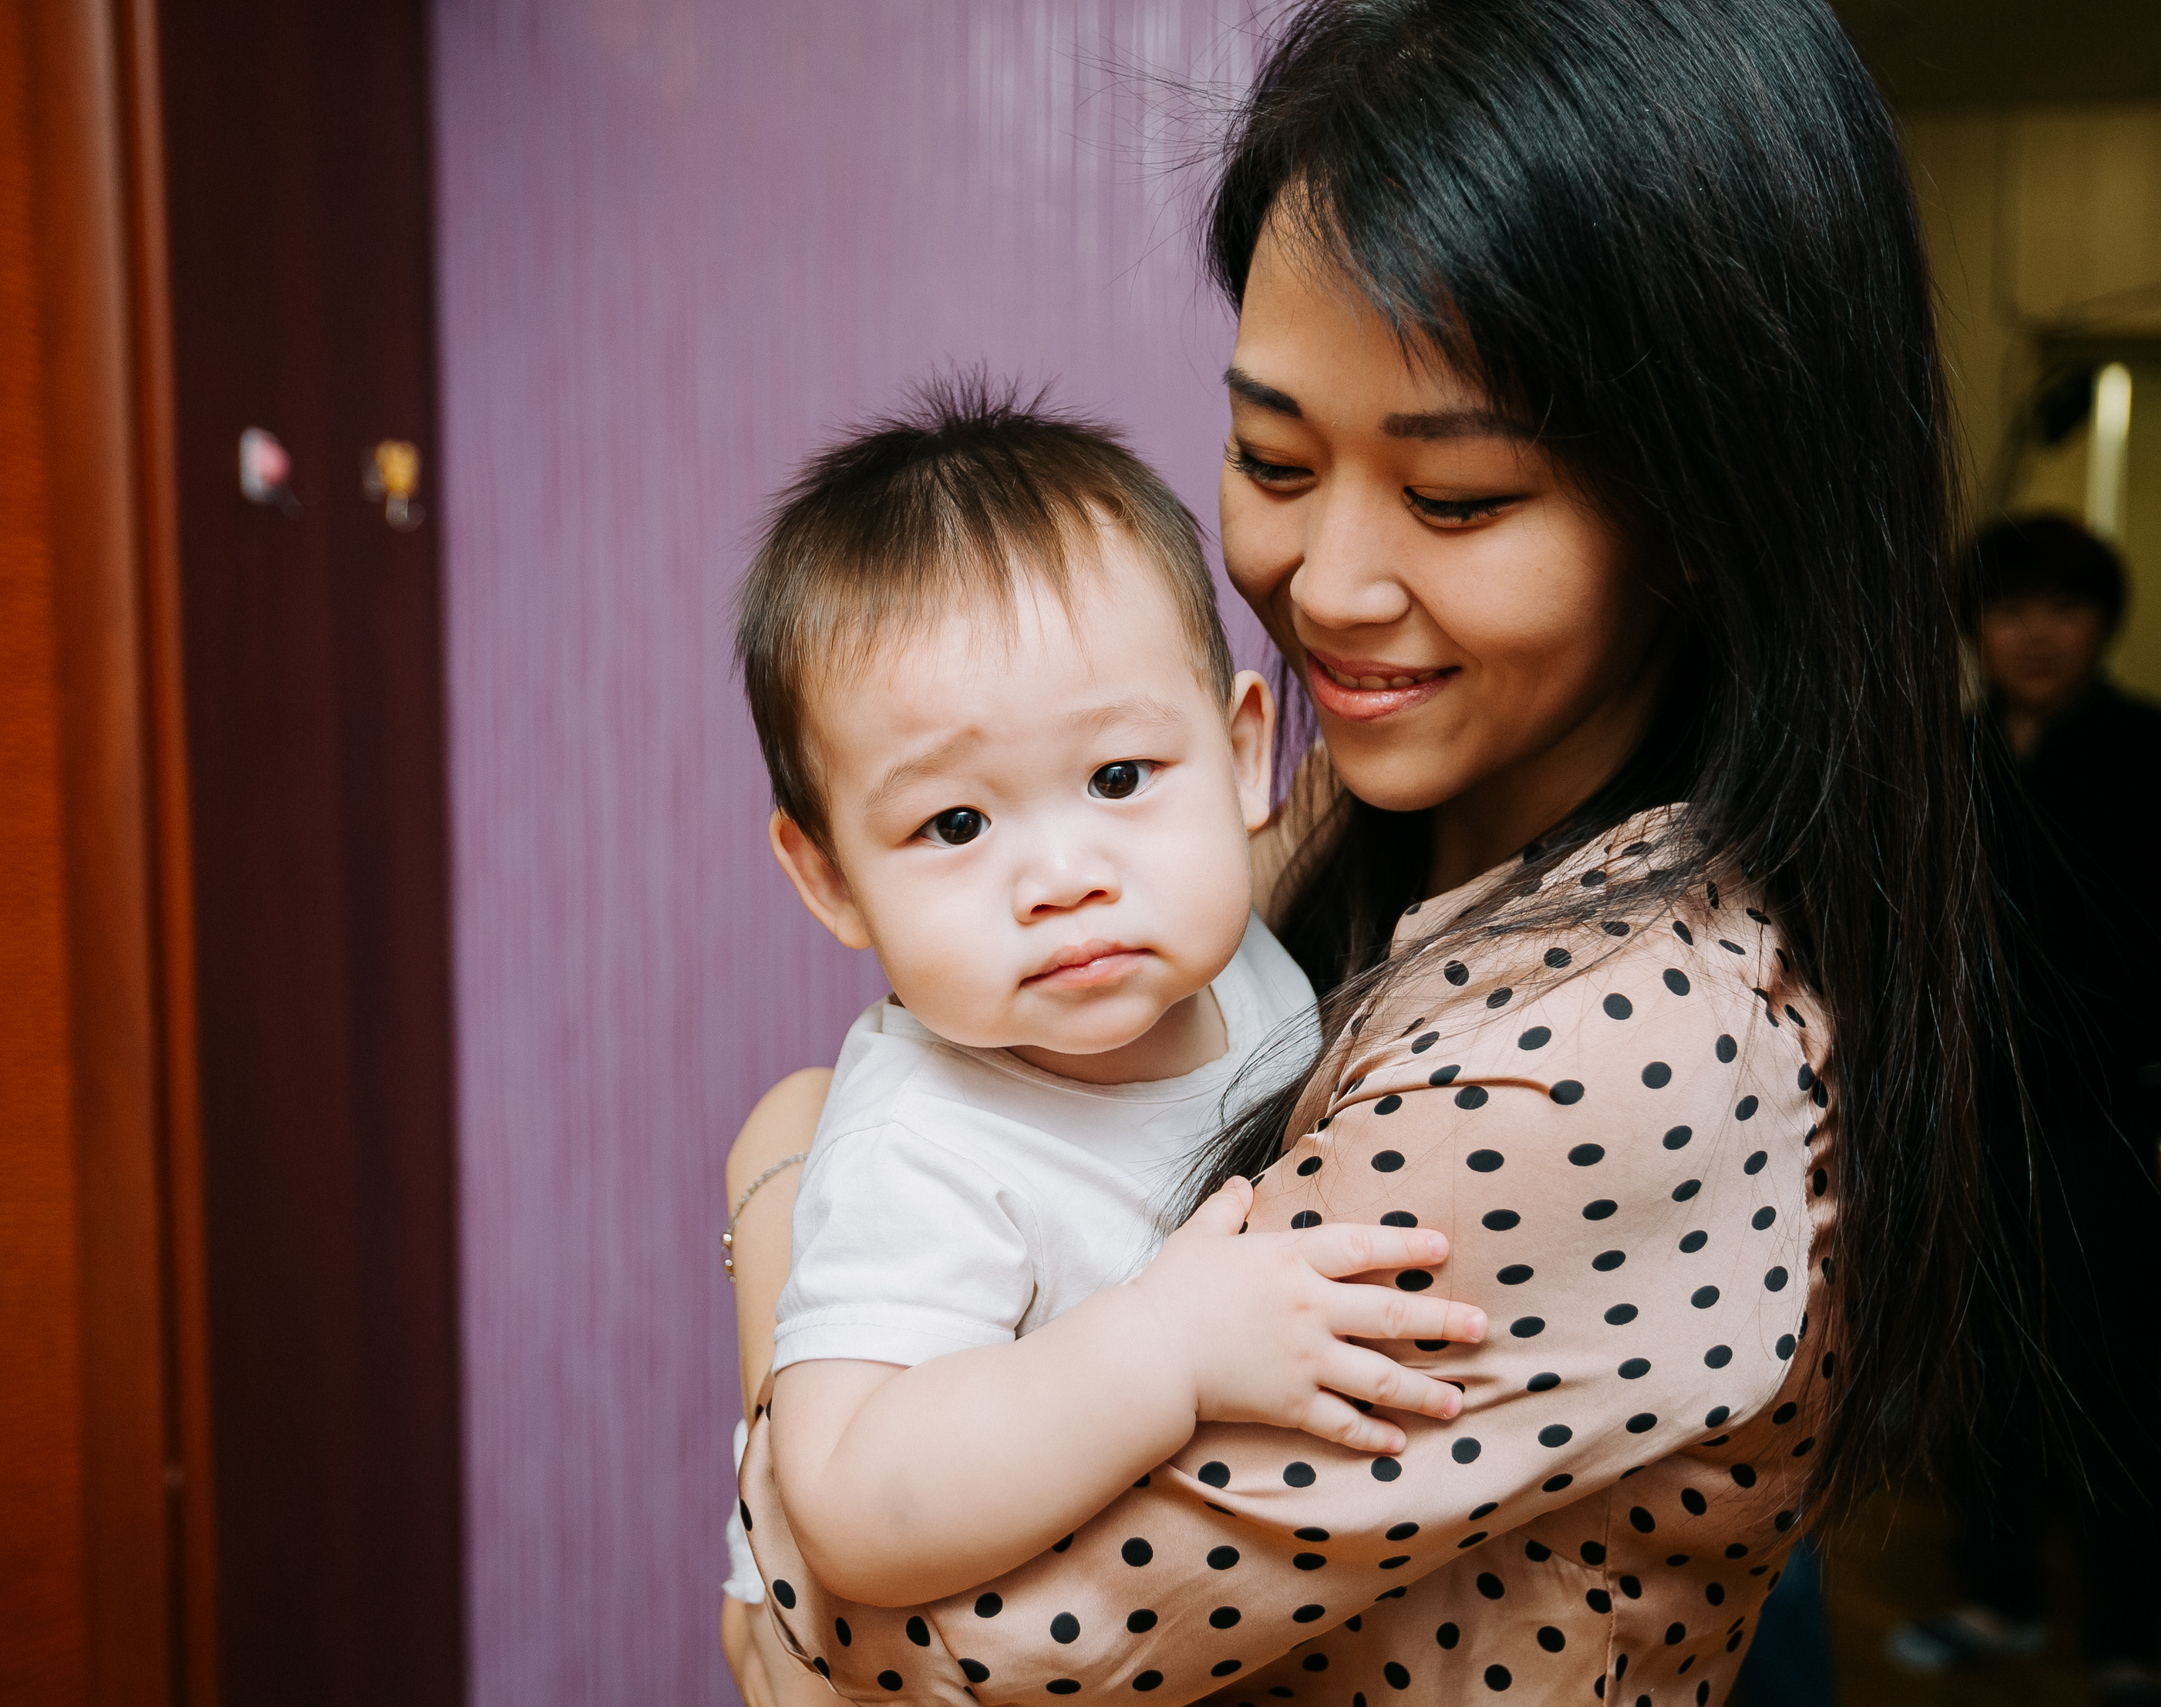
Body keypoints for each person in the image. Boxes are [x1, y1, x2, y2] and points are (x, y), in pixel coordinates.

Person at [727, 0, 1999, 1700]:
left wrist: (774, 1177)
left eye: (1456, 499)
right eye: (1269, 457)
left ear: (1710, 504)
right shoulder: (1351, 817)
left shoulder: (1615, 1044)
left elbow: (875, 1661)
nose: (1325, 585)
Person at [724, 381, 1504, 1619]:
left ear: (1243, 757)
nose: (1065, 878)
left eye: (1119, 774)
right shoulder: (921, 1148)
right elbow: (849, 1504)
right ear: (831, 881)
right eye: (957, 821)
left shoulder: (1233, 953)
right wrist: (1165, 1350)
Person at [1887, 515, 2161, 1707]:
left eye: (2063, 609)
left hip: (2119, 1125)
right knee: (1988, 1370)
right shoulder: (1948, 755)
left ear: (2102, 622)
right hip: (1975, 1125)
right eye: (2009, 611)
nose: (2035, 636)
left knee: (2117, 1385)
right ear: (1975, 630)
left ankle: (2125, 1638)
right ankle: (1996, 1599)